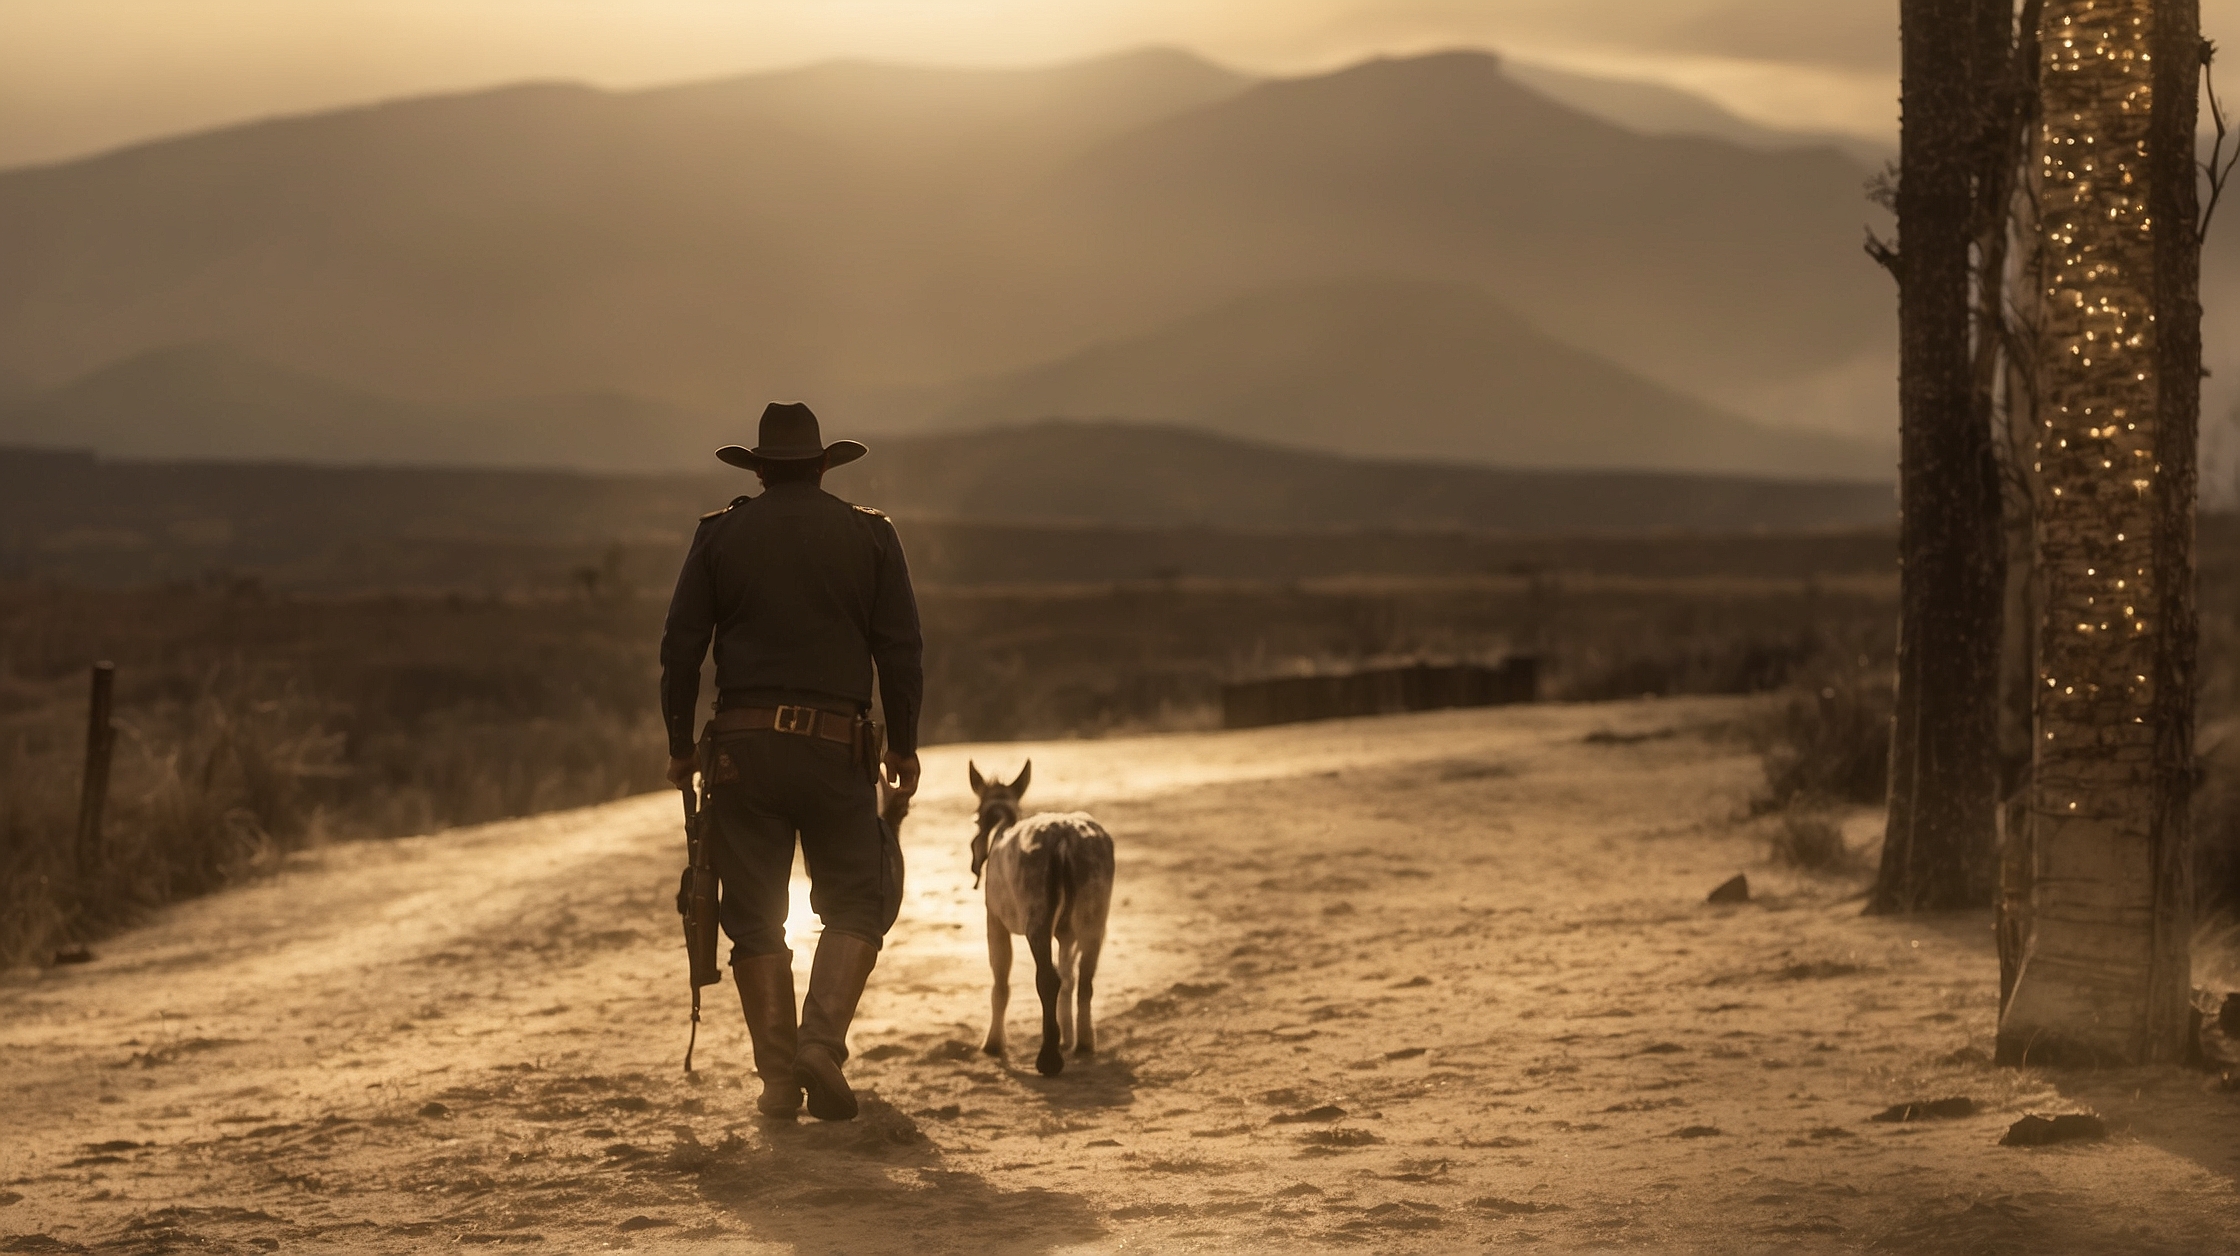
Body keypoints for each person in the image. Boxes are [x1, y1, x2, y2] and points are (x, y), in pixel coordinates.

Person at [659, 401, 923, 1121]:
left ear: (762, 470)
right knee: (857, 903)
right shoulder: (870, 536)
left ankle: (778, 1080)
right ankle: (820, 1045)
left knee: (753, 918)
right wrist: (903, 742)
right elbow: (899, 647)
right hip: (838, 749)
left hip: (741, 752)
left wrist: (682, 747)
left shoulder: (719, 536)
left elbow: (680, 649)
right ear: (821, 466)